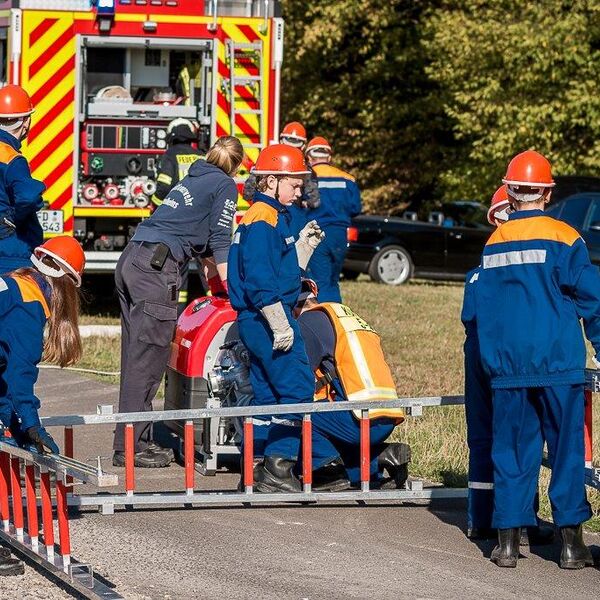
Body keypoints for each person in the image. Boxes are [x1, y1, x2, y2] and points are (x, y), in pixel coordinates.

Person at [473, 150, 598, 569]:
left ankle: (508, 544)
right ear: (547, 192)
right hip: (558, 365)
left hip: (507, 370)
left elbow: (483, 312)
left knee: (512, 452)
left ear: (509, 192)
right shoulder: (565, 237)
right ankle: (570, 545)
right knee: (564, 453)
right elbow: (592, 299)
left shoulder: (494, 243)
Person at [113, 136, 243, 468]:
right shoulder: (225, 186)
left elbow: (204, 250)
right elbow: (220, 241)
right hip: (155, 269)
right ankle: (130, 447)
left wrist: (213, 282)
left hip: (132, 259)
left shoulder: (195, 177)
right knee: (149, 358)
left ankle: (132, 440)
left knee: (135, 356)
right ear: (236, 166)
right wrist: (234, 291)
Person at [228, 143, 325, 492]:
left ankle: (255, 468)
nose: (299, 192)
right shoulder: (263, 218)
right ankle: (278, 468)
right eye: (294, 184)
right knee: (297, 387)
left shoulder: (267, 215)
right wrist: (279, 321)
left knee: (267, 395)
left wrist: (302, 247)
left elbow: (277, 270)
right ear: (271, 180)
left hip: (258, 318)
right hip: (267, 317)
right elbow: (258, 278)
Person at [462, 184, 553, 546]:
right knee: (513, 437)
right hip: (506, 358)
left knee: (497, 437)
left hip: (486, 353)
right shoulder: (497, 265)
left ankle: (488, 518)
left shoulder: (482, 268)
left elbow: (470, 316)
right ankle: (510, 518)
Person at [294, 278, 410, 491]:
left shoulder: (307, 323)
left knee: (302, 411)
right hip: (386, 415)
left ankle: (325, 471)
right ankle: (380, 461)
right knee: (336, 425)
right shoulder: (343, 314)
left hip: (359, 419)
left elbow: (298, 376)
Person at [151, 118, 204, 312]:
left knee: (177, 272)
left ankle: (177, 314)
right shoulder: (201, 156)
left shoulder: (169, 156)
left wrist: (156, 209)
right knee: (208, 271)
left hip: (178, 225)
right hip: (201, 224)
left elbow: (163, 189)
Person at [305, 136, 361, 302]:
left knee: (319, 282)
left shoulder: (307, 179)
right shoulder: (348, 179)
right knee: (333, 280)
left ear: (309, 157)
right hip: (339, 235)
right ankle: (338, 318)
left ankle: (324, 321)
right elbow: (356, 209)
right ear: (329, 157)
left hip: (316, 234)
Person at [242, 122, 320, 236]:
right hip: (294, 220)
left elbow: (247, 193)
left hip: (264, 216)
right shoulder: (306, 170)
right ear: (303, 146)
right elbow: (314, 202)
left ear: (281, 140)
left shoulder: (265, 161)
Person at [0, 84, 45, 273]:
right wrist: (11, 218)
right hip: (11, 255)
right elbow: (28, 196)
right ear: (25, 122)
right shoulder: (11, 158)